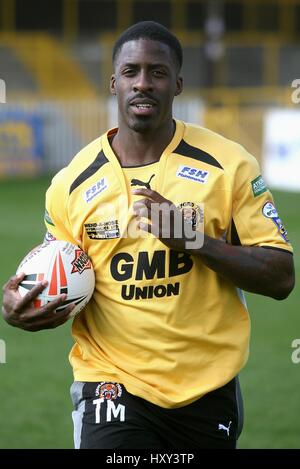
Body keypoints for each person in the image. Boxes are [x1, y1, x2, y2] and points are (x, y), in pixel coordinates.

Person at [2, 21, 295, 449]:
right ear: (113, 82)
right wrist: (20, 303)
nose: (143, 83)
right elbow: (59, 270)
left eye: (157, 73)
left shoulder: (229, 165)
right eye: (131, 72)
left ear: (177, 83)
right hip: (110, 384)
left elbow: (281, 276)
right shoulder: (70, 183)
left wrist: (192, 239)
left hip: (206, 389)